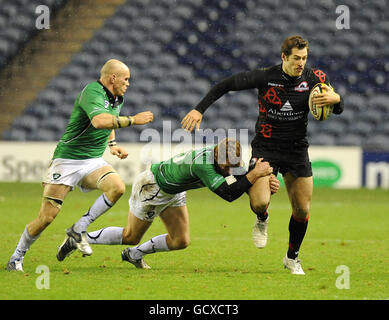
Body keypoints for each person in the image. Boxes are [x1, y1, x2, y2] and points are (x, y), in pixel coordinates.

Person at [181, 35, 344, 275]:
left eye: (305, 58)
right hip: (266, 148)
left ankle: (292, 257)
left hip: (297, 150)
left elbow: (335, 108)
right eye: (296, 58)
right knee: (259, 202)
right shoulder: (266, 77)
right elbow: (225, 85)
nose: (301, 63)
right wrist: (199, 109)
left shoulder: (316, 79)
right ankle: (262, 218)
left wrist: (337, 99)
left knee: (302, 210)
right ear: (284, 57)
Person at [6, 59, 154, 272]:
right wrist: (133, 120)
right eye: (126, 78)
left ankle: (78, 229)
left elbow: (109, 120)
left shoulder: (117, 97)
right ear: (113, 77)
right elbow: (99, 121)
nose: (128, 83)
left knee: (117, 187)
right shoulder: (92, 92)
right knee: (47, 217)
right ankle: (16, 257)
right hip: (67, 160)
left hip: (92, 160)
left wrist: (112, 144)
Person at [56, 138, 280, 268]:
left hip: (173, 189)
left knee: (181, 240)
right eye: (225, 167)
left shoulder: (223, 157)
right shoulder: (204, 165)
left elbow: (238, 179)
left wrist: (261, 178)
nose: (229, 170)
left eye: (232, 166)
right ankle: (79, 237)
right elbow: (228, 194)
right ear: (215, 157)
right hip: (153, 187)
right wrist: (253, 175)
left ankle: (134, 254)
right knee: (130, 235)